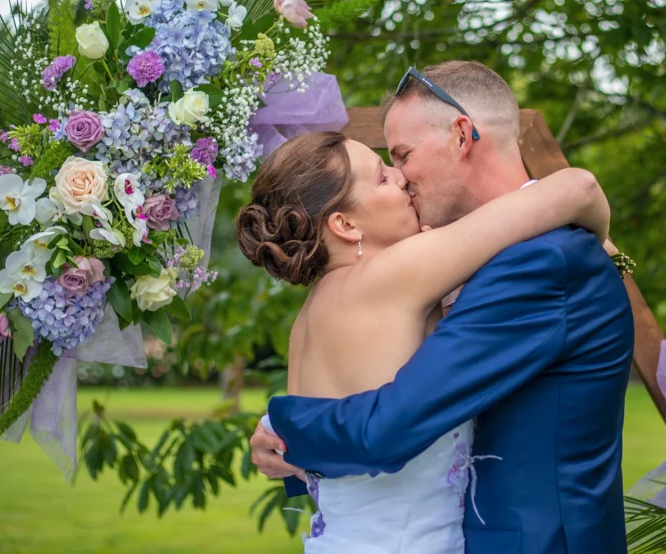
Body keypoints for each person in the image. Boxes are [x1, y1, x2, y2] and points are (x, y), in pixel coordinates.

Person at [244, 61, 635, 554]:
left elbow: (387, 426)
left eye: (401, 156)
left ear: (462, 135)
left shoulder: (539, 259)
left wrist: (284, 427)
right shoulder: (423, 270)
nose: (401, 178)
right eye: (386, 172)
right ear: (344, 224)